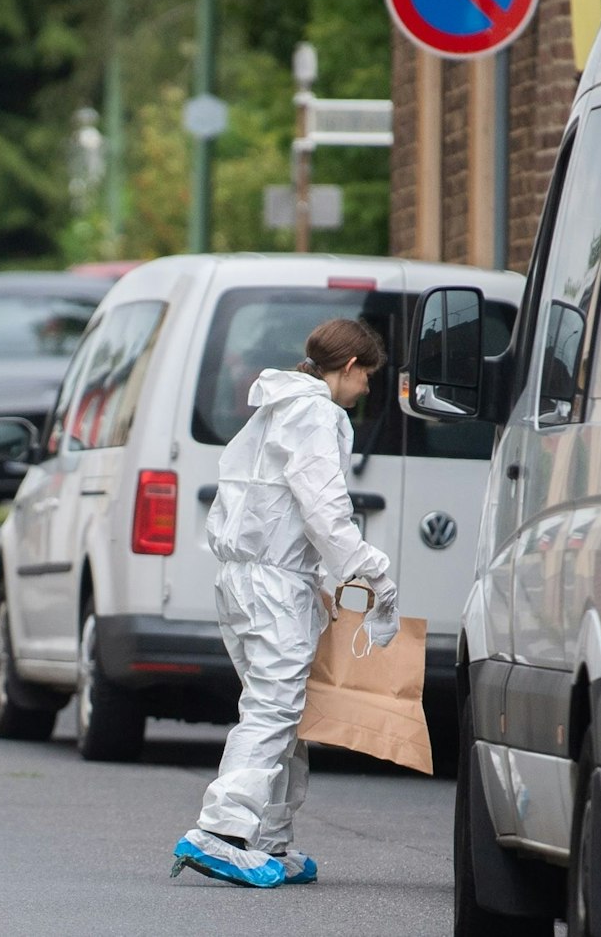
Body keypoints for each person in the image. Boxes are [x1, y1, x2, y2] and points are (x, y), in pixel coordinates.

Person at [170, 318, 400, 889]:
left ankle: (267, 840)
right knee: (275, 708)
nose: (368, 388)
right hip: (274, 585)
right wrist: (370, 571)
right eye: (368, 376)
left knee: (286, 712)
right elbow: (324, 506)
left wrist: (315, 575)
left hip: (246, 578)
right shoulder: (319, 413)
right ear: (348, 367)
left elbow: (272, 502)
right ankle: (220, 833)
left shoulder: (274, 407)